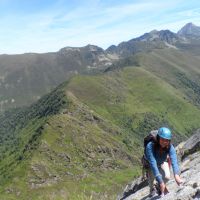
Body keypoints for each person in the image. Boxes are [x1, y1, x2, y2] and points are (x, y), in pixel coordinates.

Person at [145, 127, 183, 197]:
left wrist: (177, 175)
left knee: (167, 177)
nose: (165, 142)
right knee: (151, 182)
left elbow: (174, 161)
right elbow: (153, 163)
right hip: (150, 165)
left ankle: (159, 187)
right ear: (158, 138)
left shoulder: (170, 147)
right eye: (162, 139)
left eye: (167, 140)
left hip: (161, 162)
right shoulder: (150, 146)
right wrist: (160, 181)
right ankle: (153, 189)